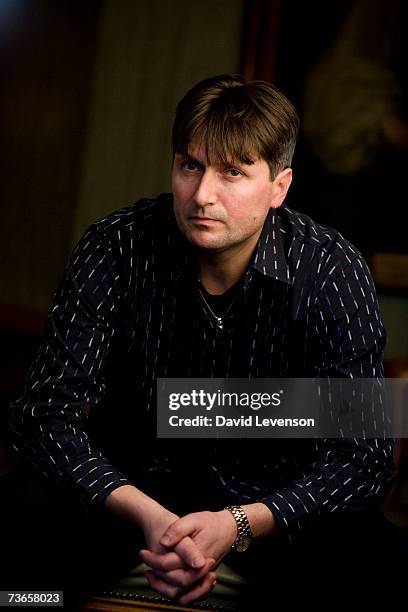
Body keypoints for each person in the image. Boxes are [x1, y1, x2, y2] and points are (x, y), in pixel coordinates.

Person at [6, 74, 398, 608]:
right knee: (19, 535)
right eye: (191, 166)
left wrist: (238, 524)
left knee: (370, 558)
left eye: (232, 173)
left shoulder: (330, 268)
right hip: (127, 496)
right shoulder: (115, 246)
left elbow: (365, 457)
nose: (202, 195)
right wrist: (151, 517)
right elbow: (42, 415)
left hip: (270, 514)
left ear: (279, 187)